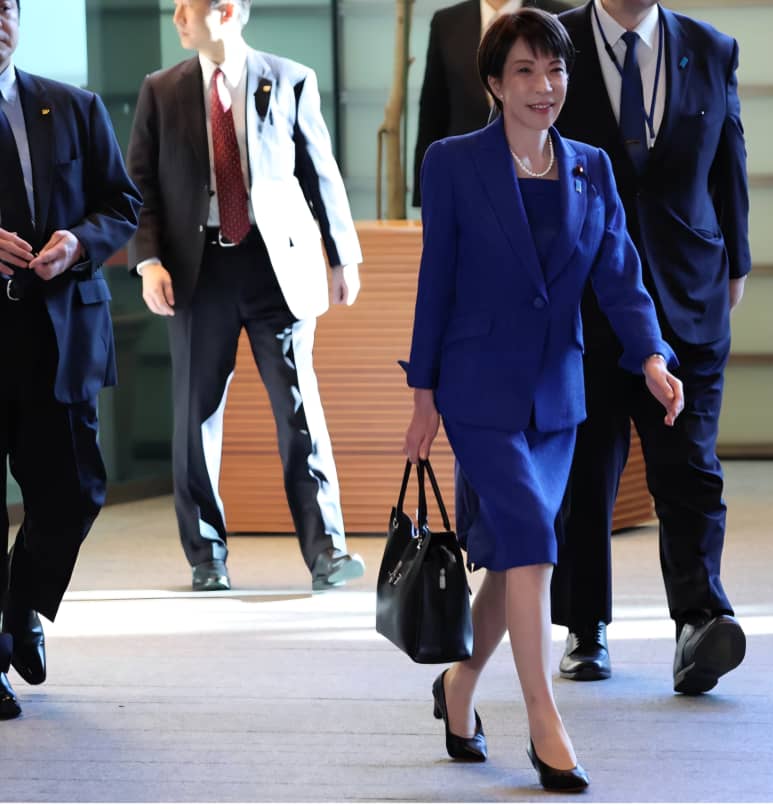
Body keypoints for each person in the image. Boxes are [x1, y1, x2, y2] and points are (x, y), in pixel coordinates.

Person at [402, 8, 683, 792]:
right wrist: (423, 395)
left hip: (558, 399)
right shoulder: (454, 163)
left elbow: (620, 273)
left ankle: (459, 686)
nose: (543, 85)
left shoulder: (591, 167)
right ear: (494, 84)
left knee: (514, 561)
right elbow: (435, 281)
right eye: (524, 70)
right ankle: (544, 721)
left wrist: (651, 355)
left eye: (554, 69)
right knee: (530, 538)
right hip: (479, 391)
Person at [125, 0, 366, 593]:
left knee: (299, 410)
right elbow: (140, 187)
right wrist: (148, 262)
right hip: (196, 271)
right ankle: (207, 556)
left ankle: (327, 550)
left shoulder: (290, 79)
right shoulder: (161, 90)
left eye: (188, 7)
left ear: (227, 11)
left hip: (274, 267)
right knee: (195, 418)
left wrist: (342, 255)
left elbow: (320, 171)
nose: (177, 17)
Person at [549, 0, 752, 694]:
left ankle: (700, 621)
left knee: (690, 467)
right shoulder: (554, 42)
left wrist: (736, 266)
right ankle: (584, 626)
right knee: (585, 470)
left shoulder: (712, 48)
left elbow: (729, 162)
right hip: (583, 300)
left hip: (689, 295)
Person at [0, 0, 142, 719]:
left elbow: (122, 202)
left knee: (76, 491)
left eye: (4, 7)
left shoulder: (72, 106)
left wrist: (79, 242)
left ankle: (18, 603)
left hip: (60, 336)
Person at [411, 0, 570, 207]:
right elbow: (433, 112)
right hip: (465, 181)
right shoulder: (447, 21)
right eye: (524, 69)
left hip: (550, 179)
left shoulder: (562, 16)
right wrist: (425, 196)